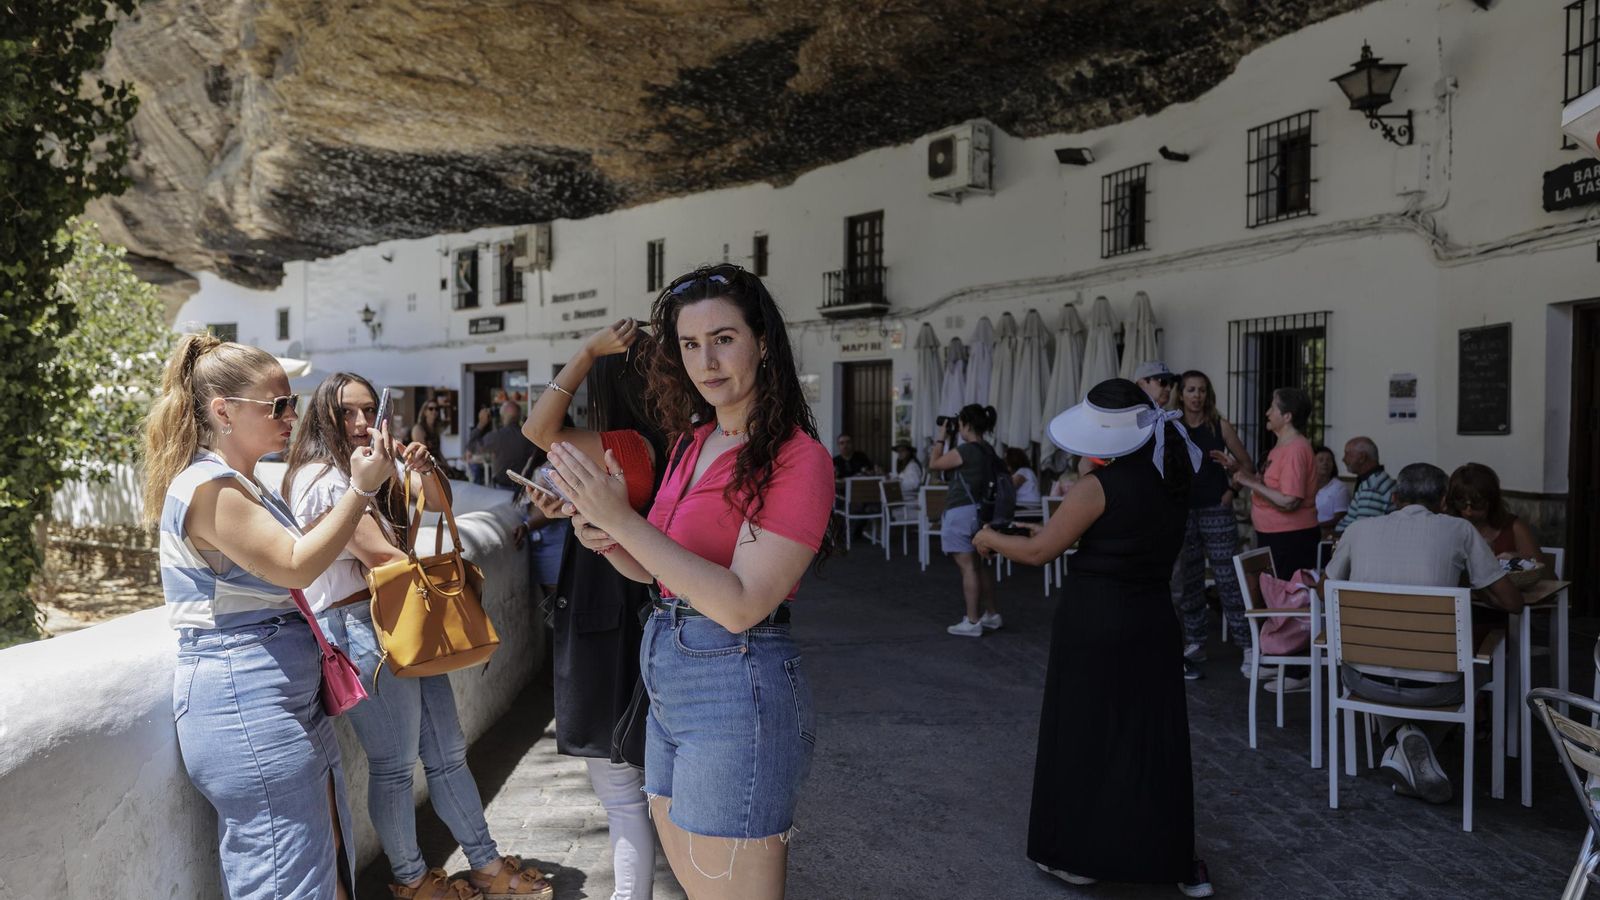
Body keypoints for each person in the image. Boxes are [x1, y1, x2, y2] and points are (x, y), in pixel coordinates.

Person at [548, 264, 834, 900]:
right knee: (694, 882)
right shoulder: (691, 443)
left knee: (728, 889)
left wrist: (621, 517)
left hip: (738, 682)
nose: (707, 360)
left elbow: (741, 604)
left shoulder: (796, 457)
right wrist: (607, 536)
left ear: (763, 342)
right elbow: (658, 572)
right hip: (668, 675)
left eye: (725, 338)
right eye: (690, 344)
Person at [143, 334, 397, 900]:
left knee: (321, 858)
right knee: (287, 876)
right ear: (223, 411)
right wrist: (359, 490)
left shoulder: (242, 483)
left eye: (292, 402)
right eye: (276, 405)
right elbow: (295, 566)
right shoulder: (209, 488)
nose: (291, 416)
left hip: (271, 691)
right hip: (245, 696)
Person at [282, 374, 551, 900]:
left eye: (370, 412)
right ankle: (410, 881)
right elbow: (384, 555)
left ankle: (485, 864)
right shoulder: (325, 480)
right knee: (395, 765)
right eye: (348, 414)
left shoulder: (360, 473)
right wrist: (378, 480)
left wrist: (422, 471)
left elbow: (431, 509)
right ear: (324, 420)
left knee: (449, 752)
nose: (362, 424)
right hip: (359, 630)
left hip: (397, 621)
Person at [973, 378, 1212, 897]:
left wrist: (990, 537)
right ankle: (1172, 857)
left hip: (1096, 618)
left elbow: (1041, 553)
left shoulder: (1099, 487)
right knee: (1152, 737)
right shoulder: (1174, 478)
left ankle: (1079, 855)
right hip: (1152, 616)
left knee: (1084, 732)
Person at [522, 318, 667, 900]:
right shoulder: (662, 444)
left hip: (607, 605)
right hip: (636, 597)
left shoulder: (626, 443)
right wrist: (565, 508)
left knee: (620, 789)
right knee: (637, 781)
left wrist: (585, 351)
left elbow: (538, 429)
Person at [1324, 463, 1524, 804]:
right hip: (1437, 689)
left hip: (1363, 679)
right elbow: (1512, 602)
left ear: (1394, 497)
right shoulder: (1460, 530)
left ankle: (1402, 739)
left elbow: (1325, 590)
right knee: (1479, 668)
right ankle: (1414, 739)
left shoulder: (1358, 529)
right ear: (1444, 501)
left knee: (1384, 655)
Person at [1170, 370, 1255, 674]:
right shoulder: (1172, 427)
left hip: (1216, 510)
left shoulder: (1220, 425)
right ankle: (1195, 642)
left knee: (1228, 579)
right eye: (1191, 390)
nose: (1197, 396)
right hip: (1183, 512)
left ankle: (1247, 644)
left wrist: (1232, 490)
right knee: (1189, 579)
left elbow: (1247, 465)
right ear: (1181, 394)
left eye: (1202, 390)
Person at [1228, 387, 1320, 578]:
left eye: (1272, 408)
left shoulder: (1295, 449)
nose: (1267, 413)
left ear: (1287, 416)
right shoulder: (1281, 446)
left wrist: (1249, 482)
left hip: (1289, 538)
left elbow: (1290, 500)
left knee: (1287, 600)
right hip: (1275, 535)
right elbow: (1269, 489)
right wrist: (1238, 469)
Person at [928, 404, 1003, 637]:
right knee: (979, 565)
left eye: (959, 424)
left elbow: (935, 464)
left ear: (966, 424)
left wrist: (941, 436)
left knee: (968, 567)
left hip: (961, 511)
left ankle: (972, 621)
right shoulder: (987, 449)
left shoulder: (968, 450)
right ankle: (991, 614)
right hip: (980, 512)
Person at [1445, 462, 1539, 559]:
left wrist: (1518, 559)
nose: (1469, 511)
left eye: (1477, 504)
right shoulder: (1447, 529)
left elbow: (1542, 570)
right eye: (1462, 503)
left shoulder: (1514, 528)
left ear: (1491, 500)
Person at [1333, 436, 1395, 537]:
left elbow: (1364, 532)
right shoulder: (1375, 480)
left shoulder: (1372, 487)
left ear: (1362, 457)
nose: (1343, 459)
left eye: (1347, 454)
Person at [475, 400, 539, 492]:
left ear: (502, 416)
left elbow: (473, 447)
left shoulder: (496, 436)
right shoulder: (528, 437)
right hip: (522, 489)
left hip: (501, 488)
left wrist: (481, 424)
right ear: (519, 416)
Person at [1314, 445, 1351, 537]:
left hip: (1328, 535)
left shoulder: (1339, 488)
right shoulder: (1306, 485)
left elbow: (1339, 518)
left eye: (1329, 460)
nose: (1325, 463)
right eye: (1321, 460)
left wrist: (1315, 527)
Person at [887, 441, 923, 522]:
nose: (900, 453)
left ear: (909, 452)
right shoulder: (906, 467)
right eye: (899, 451)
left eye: (902, 451)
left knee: (881, 505)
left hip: (909, 502)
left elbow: (914, 484)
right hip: (903, 500)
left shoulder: (913, 466)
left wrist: (899, 482)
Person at [464, 405, 495, 484]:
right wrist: (482, 423)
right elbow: (469, 451)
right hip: (478, 462)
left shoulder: (492, 430)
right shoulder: (477, 430)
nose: (487, 417)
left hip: (488, 462)